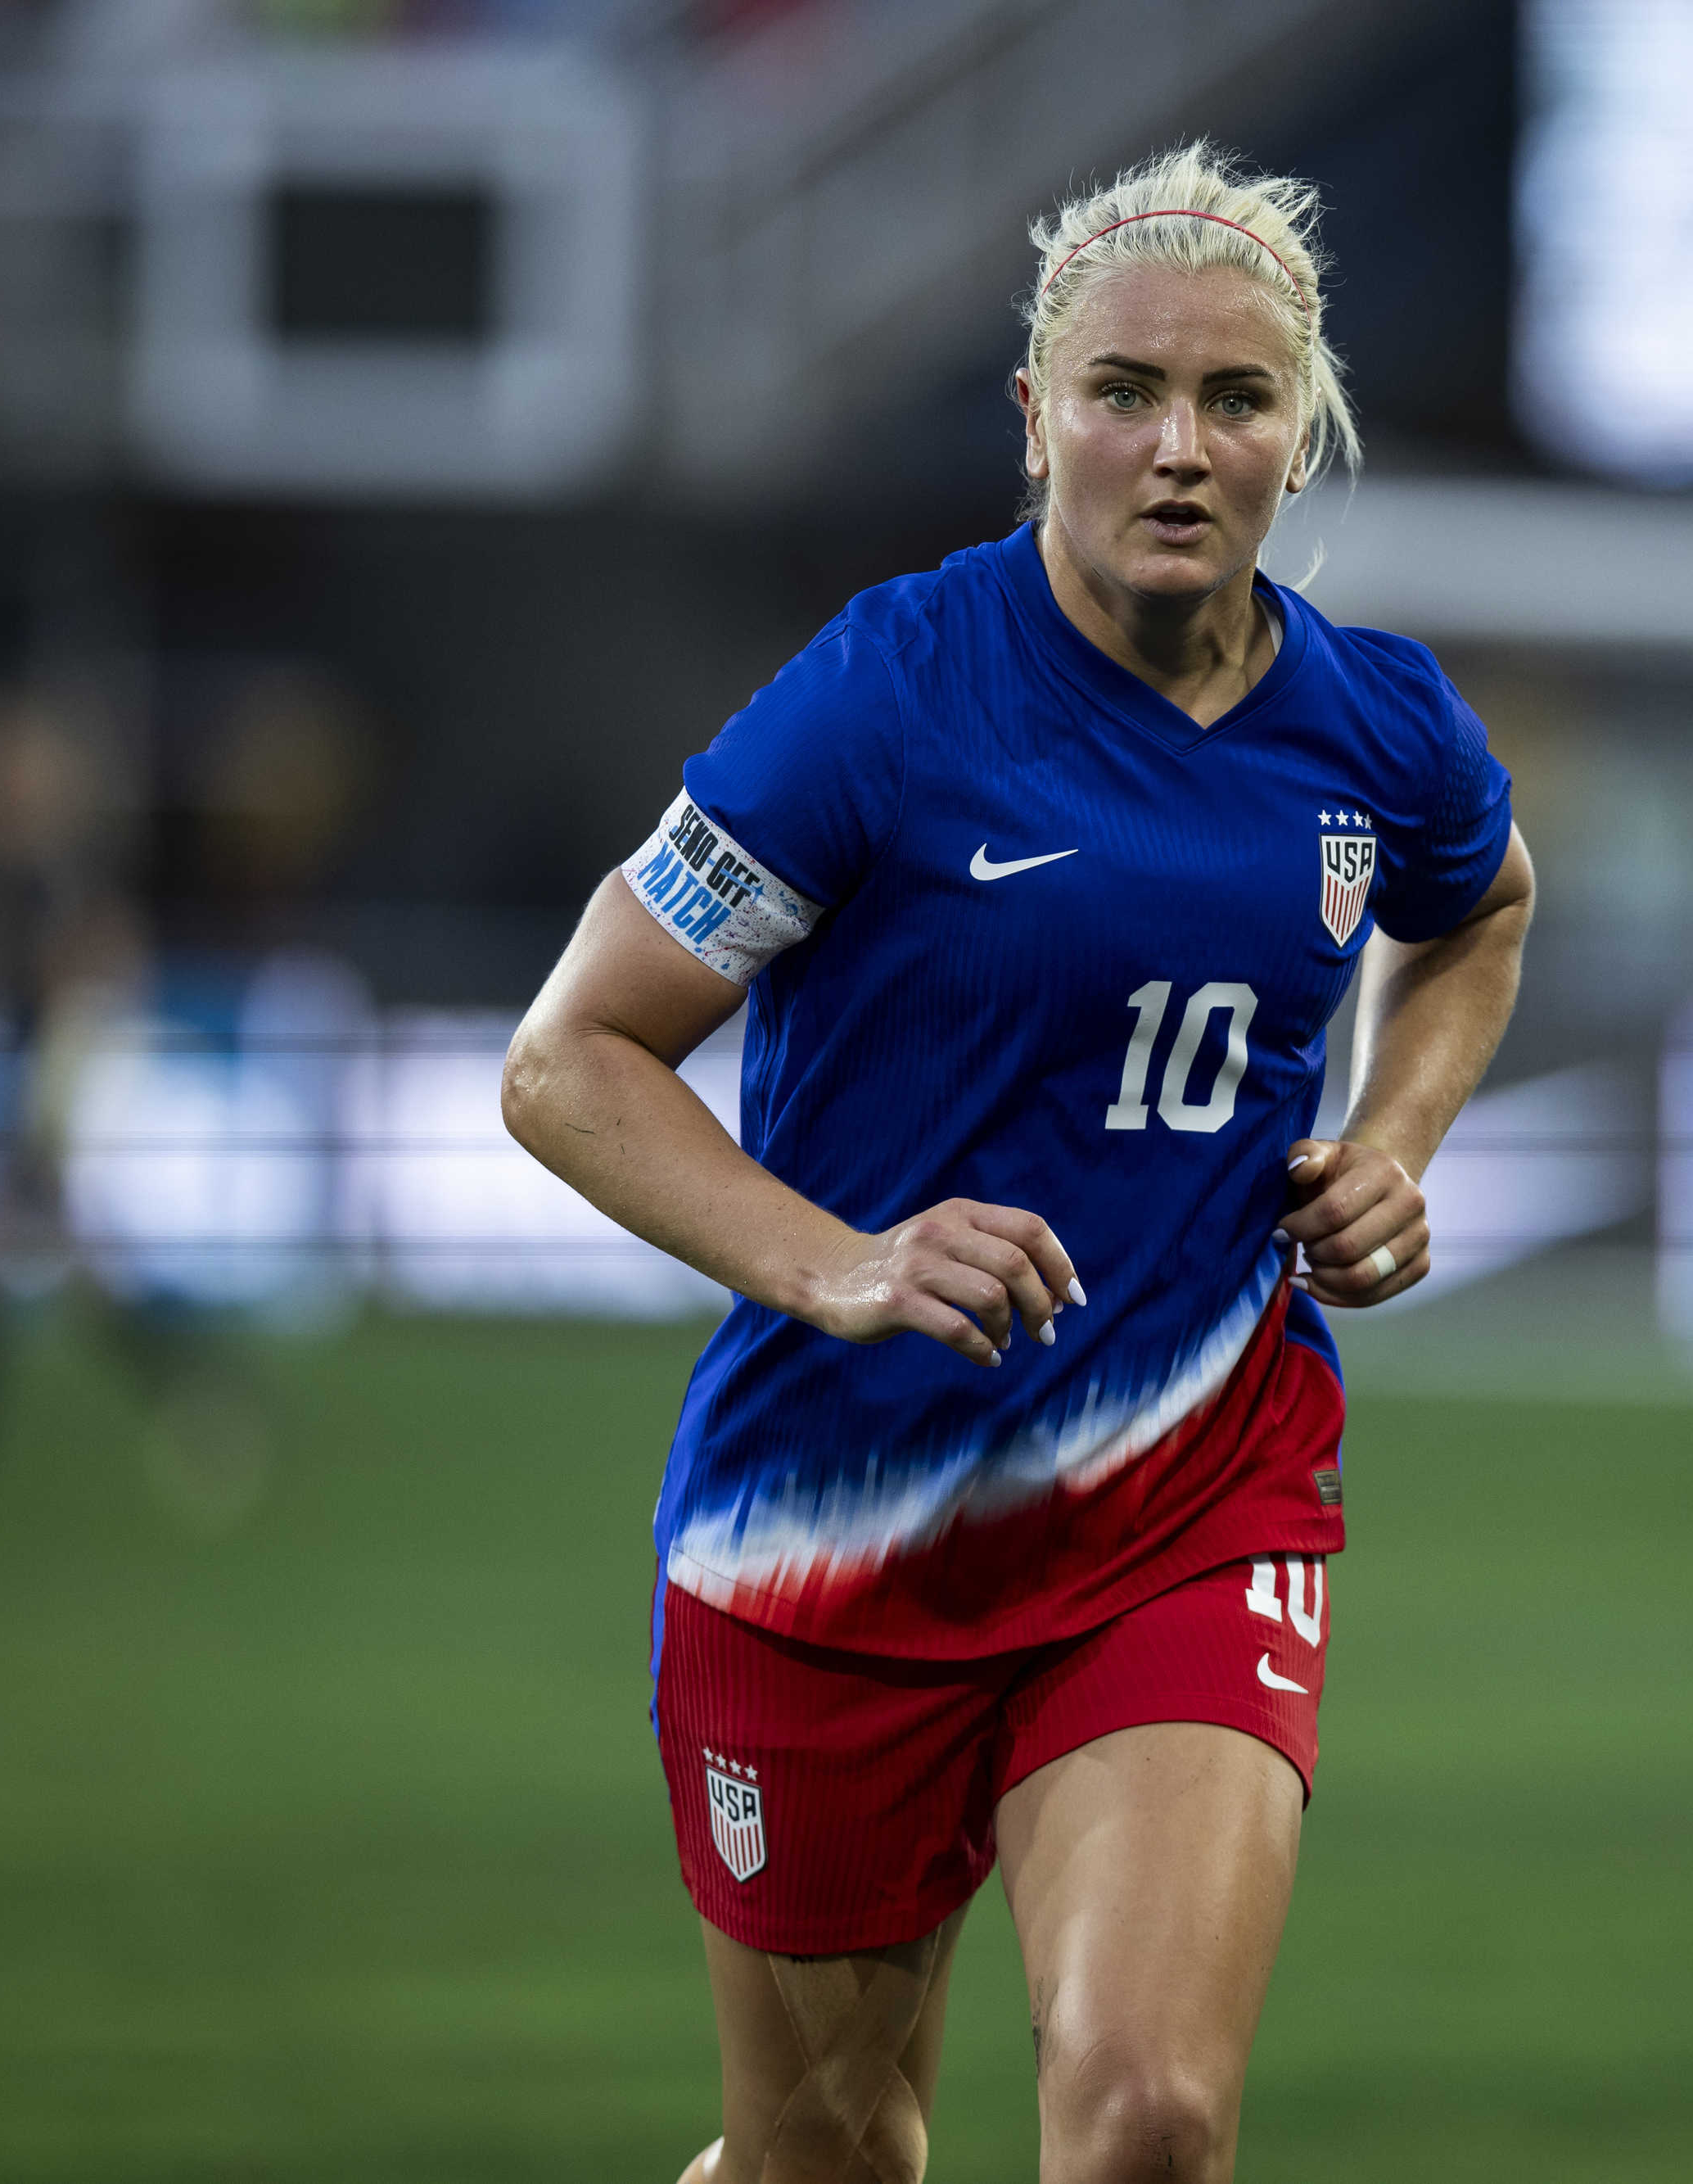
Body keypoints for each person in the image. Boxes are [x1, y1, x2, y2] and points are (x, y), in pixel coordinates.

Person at [502, 142, 1533, 2184]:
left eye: (1234, 400)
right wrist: (842, 1262)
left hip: (1189, 1495)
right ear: (1033, 415)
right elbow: (568, 1060)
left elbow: (1479, 907)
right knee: (824, 2160)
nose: (1174, 447)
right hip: (829, 1533)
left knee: (1146, 2111)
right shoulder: (882, 696)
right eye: (1121, 391)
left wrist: (1396, 1138)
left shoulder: (1376, 727)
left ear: (1296, 437)